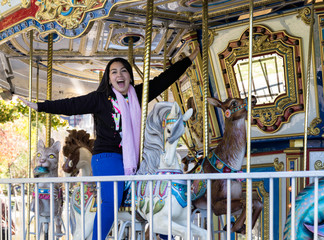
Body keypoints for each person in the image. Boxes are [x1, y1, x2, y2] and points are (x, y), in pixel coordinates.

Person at [18, 47, 199, 240]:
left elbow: (163, 80)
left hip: (135, 156)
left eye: (123, 71)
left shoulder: (137, 94)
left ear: (129, 76)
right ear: (109, 78)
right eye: (114, 72)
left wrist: (187, 61)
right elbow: (71, 105)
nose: (119, 75)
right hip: (107, 157)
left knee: (158, 194)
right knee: (111, 201)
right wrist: (40, 106)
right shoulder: (100, 98)